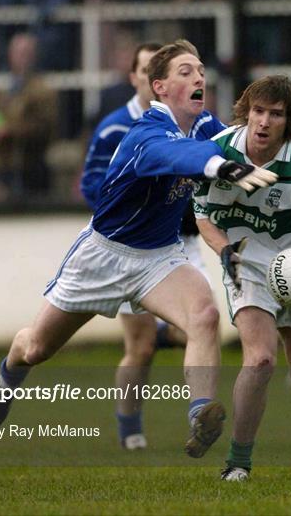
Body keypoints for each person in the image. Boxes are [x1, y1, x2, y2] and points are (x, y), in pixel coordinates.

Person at [0, 39, 277, 459]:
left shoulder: (206, 125)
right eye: (185, 71)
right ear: (159, 87)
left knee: (205, 314)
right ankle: (7, 377)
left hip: (159, 255)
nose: (199, 77)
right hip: (105, 254)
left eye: (200, 70)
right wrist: (220, 166)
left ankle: (200, 414)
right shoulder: (145, 132)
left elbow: (234, 143)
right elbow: (174, 155)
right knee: (36, 348)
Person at [193, 75, 291, 481]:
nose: (263, 122)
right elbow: (203, 218)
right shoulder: (217, 154)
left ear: (290, 121)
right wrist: (225, 251)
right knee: (261, 359)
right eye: (258, 111)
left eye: (275, 114)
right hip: (245, 262)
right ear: (246, 111)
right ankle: (238, 463)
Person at [80, 41, 226, 450]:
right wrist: (130, 211)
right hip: (126, 245)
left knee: (204, 321)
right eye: (144, 71)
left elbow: (219, 149)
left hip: (179, 244)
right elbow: (92, 183)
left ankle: (200, 411)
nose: (150, 78)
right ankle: (130, 429)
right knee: (140, 349)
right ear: (141, 80)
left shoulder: (196, 121)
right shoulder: (117, 127)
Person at [0, 32, 58, 202]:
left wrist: (9, 130)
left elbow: (43, 127)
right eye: (17, 53)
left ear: (34, 56)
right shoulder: (4, 91)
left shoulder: (42, 90)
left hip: (31, 167)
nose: (21, 58)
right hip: (6, 167)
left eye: (26, 53)